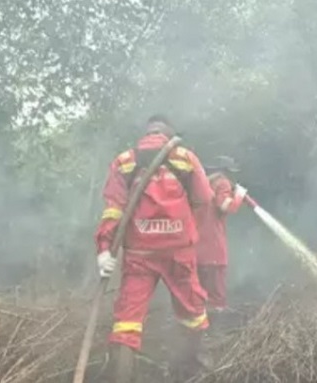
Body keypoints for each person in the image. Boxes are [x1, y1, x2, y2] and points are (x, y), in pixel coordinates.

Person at [93, 114, 214, 382]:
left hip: (139, 254)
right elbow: (205, 200)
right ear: (169, 133)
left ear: (146, 133)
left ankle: (121, 376)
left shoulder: (125, 161)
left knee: (127, 320)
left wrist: (104, 249)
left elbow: (113, 209)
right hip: (179, 252)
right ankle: (192, 370)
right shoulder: (185, 157)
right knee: (193, 311)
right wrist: (188, 231)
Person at [195, 155, 248, 326]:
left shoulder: (203, 184)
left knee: (200, 288)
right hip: (213, 247)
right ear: (226, 171)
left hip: (198, 247)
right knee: (216, 290)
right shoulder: (222, 183)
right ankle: (217, 325)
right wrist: (239, 195)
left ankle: (200, 322)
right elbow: (226, 206)